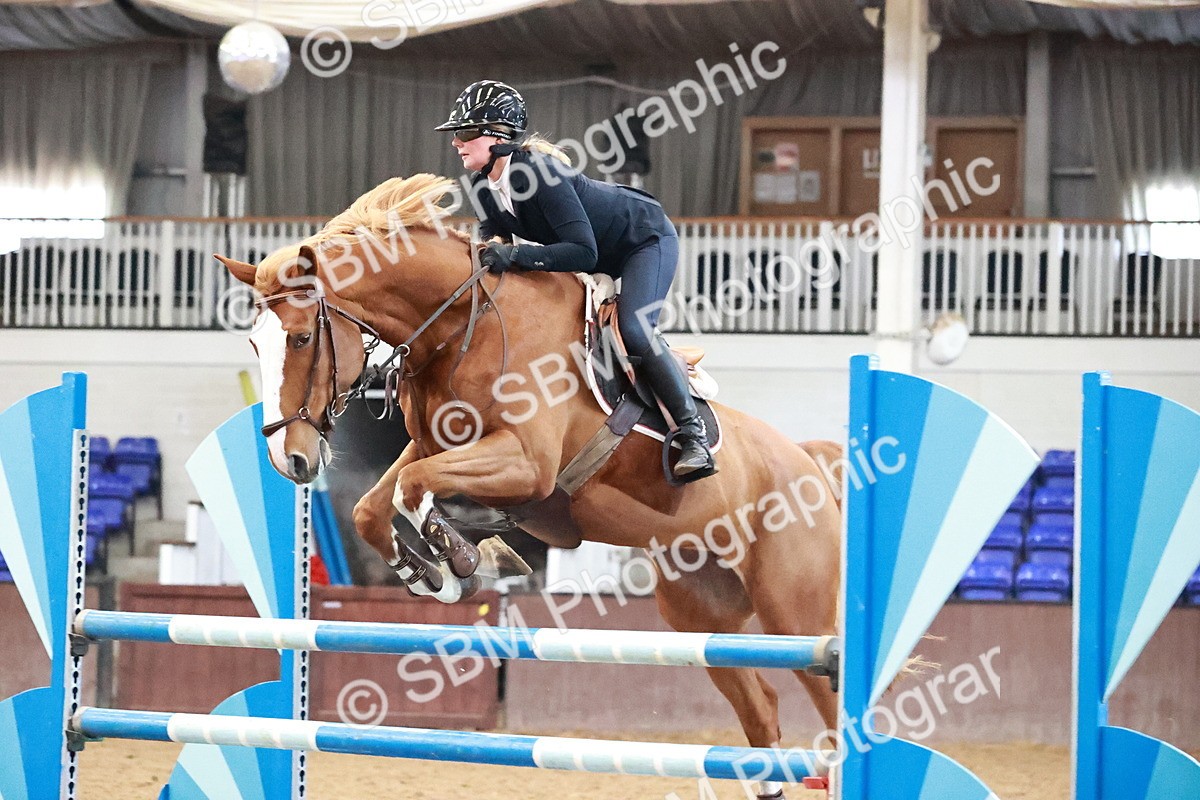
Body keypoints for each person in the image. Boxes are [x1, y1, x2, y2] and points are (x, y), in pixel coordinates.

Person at [435, 80, 717, 482]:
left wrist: (514, 256)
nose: (456, 143)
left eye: (464, 133)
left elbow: (582, 251)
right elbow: (494, 230)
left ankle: (692, 435)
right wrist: (490, 249)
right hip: (598, 250)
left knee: (635, 328)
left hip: (642, 240)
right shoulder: (483, 181)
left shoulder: (541, 173)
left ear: (498, 136)